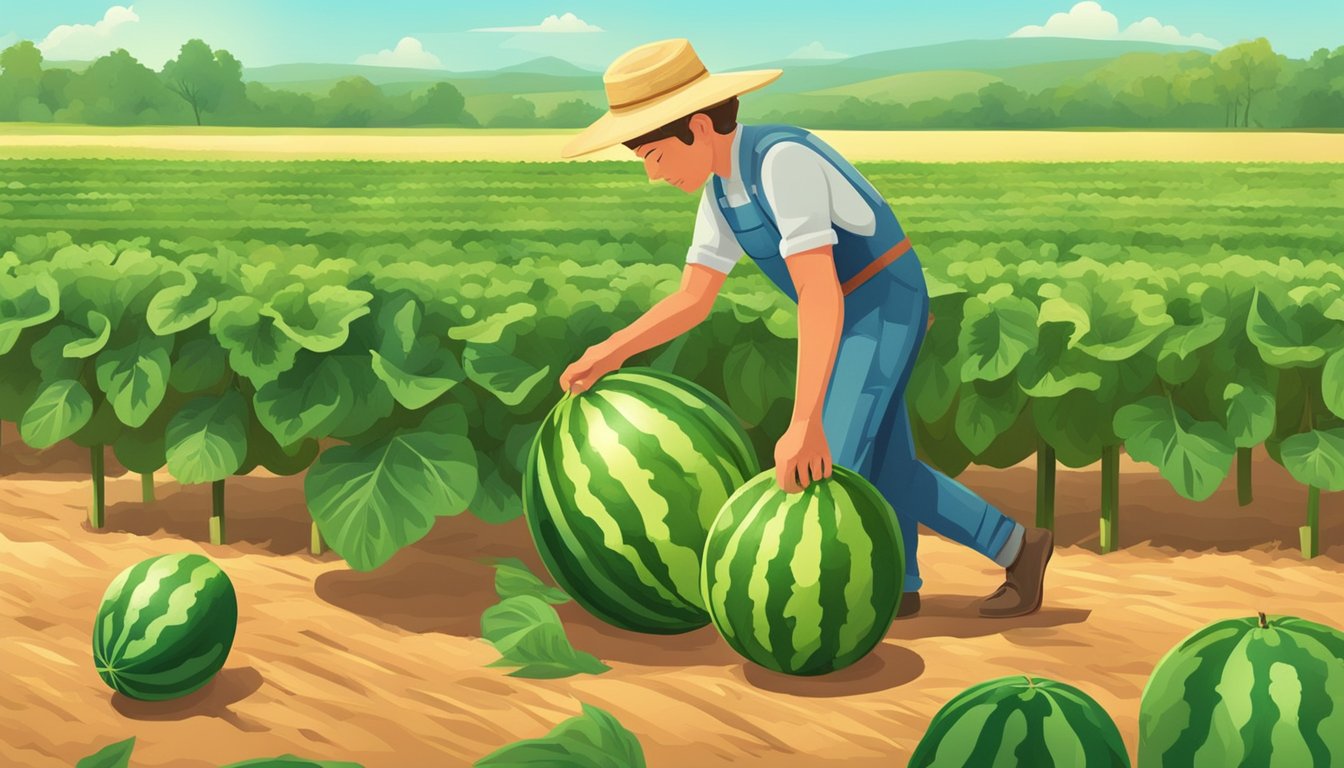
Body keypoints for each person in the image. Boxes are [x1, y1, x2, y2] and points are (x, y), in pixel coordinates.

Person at [556, 38, 1051, 618]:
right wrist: (608, 353)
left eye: (654, 155)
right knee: (885, 459)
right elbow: (693, 298)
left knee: (830, 461)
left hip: (882, 300)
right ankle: (967, 562)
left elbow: (819, 290)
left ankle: (879, 586)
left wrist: (804, 421)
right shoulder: (720, 191)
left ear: (697, 127)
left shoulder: (780, 162)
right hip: (848, 304)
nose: (651, 175)